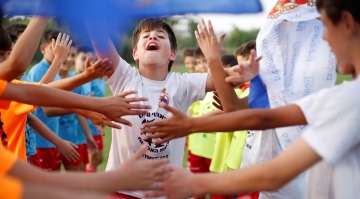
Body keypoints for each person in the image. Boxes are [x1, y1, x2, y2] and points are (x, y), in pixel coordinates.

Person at [143, 0, 360, 198]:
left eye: (326, 27)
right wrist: (190, 124)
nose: (323, 37)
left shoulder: (349, 99)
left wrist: (196, 181)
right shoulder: (338, 96)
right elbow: (258, 118)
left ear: (347, 24)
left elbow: (275, 173)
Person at [91, 17, 243, 198]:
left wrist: (213, 59)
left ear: (172, 54)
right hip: (121, 188)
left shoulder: (183, 84)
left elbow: (229, 77)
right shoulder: (124, 77)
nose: (152, 38)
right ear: (135, 54)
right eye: (146, 36)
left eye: (160, 36)